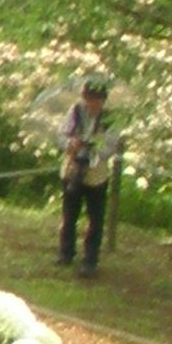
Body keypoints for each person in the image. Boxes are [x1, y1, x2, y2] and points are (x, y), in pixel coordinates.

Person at [61, 70, 120, 277]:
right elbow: (62, 136)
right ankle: (66, 252)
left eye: (97, 99)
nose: (93, 103)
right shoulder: (75, 112)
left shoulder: (110, 119)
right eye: (89, 98)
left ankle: (90, 260)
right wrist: (71, 144)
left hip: (96, 172)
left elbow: (111, 146)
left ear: (103, 100)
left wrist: (94, 149)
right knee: (70, 214)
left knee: (95, 218)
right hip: (73, 168)